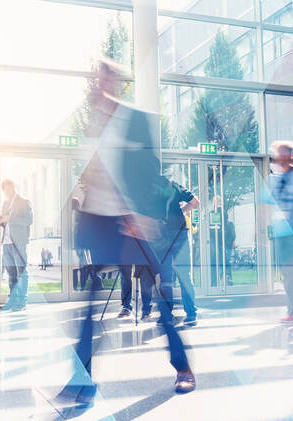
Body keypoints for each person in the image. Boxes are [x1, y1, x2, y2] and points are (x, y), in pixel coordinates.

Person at [65, 59, 194, 402]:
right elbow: (90, 173)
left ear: (118, 82)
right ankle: (82, 379)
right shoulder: (92, 122)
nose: (101, 84)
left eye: (107, 78)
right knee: (91, 303)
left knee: (157, 294)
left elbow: (151, 171)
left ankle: (182, 366)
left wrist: (143, 212)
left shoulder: (134, 120)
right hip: (101, 220)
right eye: (97, 79)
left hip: (130, 219)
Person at [263, 141, 293, 324]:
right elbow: (267, 205)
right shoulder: (272, 180)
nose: (282, 156)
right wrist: (265, 229)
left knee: (291, 272)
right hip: (280, 233)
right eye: (279, 153)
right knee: (287, 272)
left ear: (291, 156)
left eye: (286, 152)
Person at [158, 180, 200, 324]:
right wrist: (180, 211)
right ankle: (191, 313)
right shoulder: (172, 185)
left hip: (162, 236)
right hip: (179, 234)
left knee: (166, 278)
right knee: (183, 275)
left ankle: (166, 315)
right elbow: (195, 202)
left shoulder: (148, 191)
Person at [0, 179, 33, 311]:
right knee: (11, 274)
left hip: (18, 242)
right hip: (6, 243)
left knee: (21, 273)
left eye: (9, 188)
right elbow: (4, 222)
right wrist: (1, 221)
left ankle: (22, 302)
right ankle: (12, 301)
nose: (7, 191)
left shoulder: (24, 202)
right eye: (5, 189)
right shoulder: (5, 203)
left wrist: (10, 219)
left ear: (14, 187)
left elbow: (29, 220)